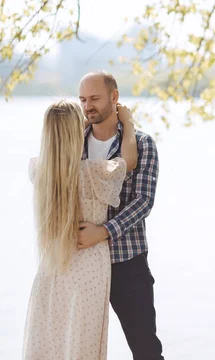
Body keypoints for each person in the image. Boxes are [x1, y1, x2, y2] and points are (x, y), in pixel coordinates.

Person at [23, 99, 138, 360]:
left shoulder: (39, 170)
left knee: (51, 346)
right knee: (80, 347)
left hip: (51, 270)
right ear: (78, 130)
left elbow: (59, 148)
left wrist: (69, 126)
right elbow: (128, 161)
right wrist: (128, 123)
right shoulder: (93, 172)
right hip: (88, 271)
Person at [78, 71, 165, 360]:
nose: (87, 106)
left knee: (146, 351)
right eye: (82, 100)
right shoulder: (72, 143)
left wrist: (102, 232)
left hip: (127, 264)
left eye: (94, 98)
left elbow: (143, 202)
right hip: (81, 263)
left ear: (114, 97)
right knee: (78, 349)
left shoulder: (142, 143)